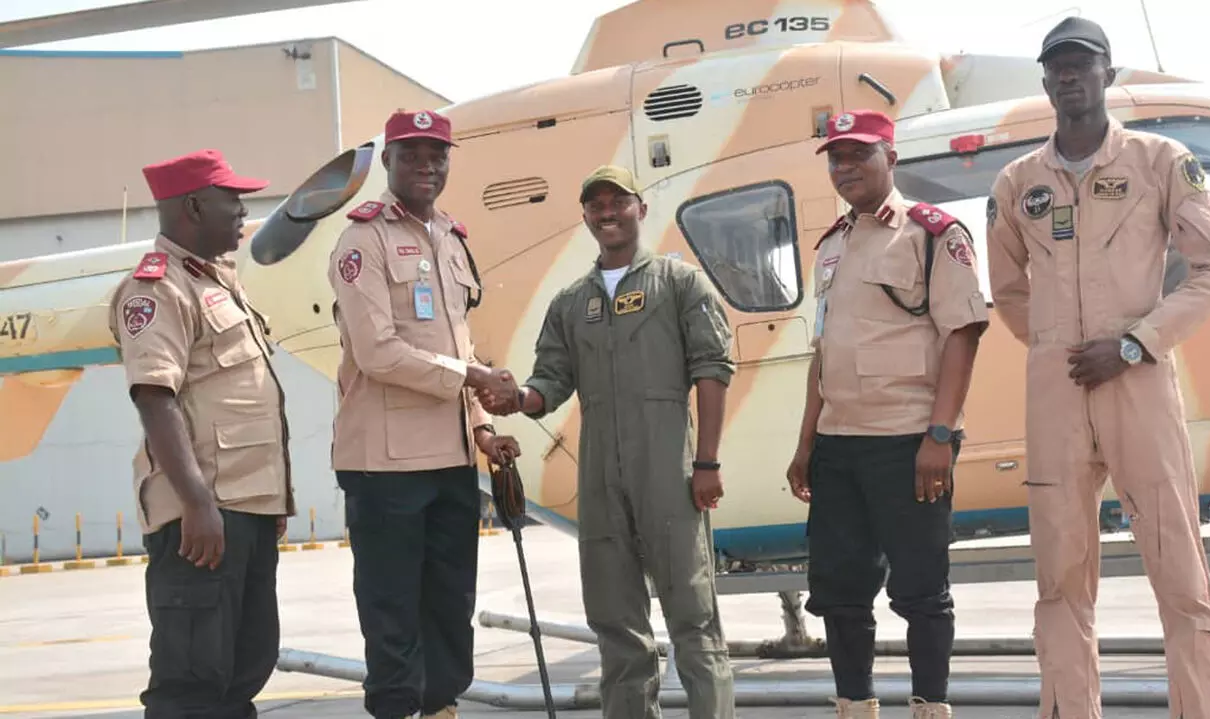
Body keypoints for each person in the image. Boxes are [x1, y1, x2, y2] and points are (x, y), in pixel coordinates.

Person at [986, 17, 1210, 719]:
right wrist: (1049, 349)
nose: (1070, 75)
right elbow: (1008, 290)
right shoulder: (1016, 182)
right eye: (1058, 66)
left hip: (1139, 384)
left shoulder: (1160, 162)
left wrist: (1134, 343)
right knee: (1060, 578)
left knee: (1179, 569)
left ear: (1109, 75)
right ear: (1045, 81)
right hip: (1056, 392)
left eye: (1083, 64)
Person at [478, 165, 737, 718]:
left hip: (668, 468)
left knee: (692, 615)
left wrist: (707, 461)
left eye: (617, 201)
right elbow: (550, 380)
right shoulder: (572, 303)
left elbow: (713, 369)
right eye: (595, 205)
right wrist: (515, 398)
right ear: (586, 217)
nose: (607, 212)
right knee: (615, 621)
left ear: (640, 208)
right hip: (599, 476)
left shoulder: (679, 283)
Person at [785, 110, 989, 719]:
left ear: (891, 158)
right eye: (836, 158)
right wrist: (804, 446)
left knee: (921, 592)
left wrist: (940, 434)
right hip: (838, 446)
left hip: (908, 441)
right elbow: (824, 353)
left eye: (859, 155)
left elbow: (963, 333)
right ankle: (856, 705)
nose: (844, 168)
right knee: (840, 594)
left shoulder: (932, 233)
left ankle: (930, 707)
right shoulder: (831, 246)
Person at [327, 108, 522, 719]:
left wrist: (484, 428)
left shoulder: (451, 239)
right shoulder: (363, 239)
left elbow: (455, 343)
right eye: (411, 154)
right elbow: (377, 352)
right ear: (387, 161)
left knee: (448, 607)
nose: (426, 166)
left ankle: (441, 708)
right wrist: (473, 377)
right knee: (392, 612)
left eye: (437, 154)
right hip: (386, 465)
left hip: (453, 457)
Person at [107, 148, 294, 718]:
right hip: (203, 516)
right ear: (193, 205)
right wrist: (196, 502)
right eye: (231, 199)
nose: (243, 210)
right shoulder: (157, 290)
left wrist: (273, 501)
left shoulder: (218, 282)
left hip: (246, 508)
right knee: (192, 681)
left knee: (243, 668)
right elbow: (154, 399)